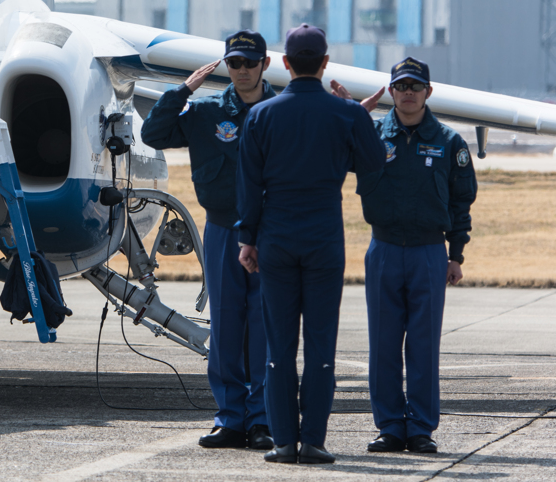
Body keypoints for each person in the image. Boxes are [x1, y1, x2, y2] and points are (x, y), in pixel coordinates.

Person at [236, 24, 385, 465]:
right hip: (323, 235)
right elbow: (374, 163)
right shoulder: (346, 114)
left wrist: (247, 238)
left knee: (279, 345)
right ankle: (314, 440)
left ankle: (283, 442)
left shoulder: (261, 115)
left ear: (284, 62)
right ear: (324, 63)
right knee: (321, 344)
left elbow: (248, 184)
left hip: (277, 236)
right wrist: (355, 116)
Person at [331, 57, 477, 455]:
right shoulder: (372, 135)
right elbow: (333, 159)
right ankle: (391, 426)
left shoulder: (450, 142)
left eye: (415, 86)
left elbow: (462, 201)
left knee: (424, 345)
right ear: (391, 92)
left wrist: (456, 254)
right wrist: (350, 118)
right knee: (383, 343)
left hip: (430, 251)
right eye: (401, 86)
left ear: (428, 92)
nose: (408, 93)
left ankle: (421, 428)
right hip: (384, 250)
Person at [140, 30, 276, 451]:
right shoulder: (206, 112)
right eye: (234, 63)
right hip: (222, 229)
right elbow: (154, 135)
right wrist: (180, 92)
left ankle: (262, 418)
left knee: (264, 325)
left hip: (271, 232)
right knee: (228, 325)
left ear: (264, 65)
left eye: (249, 63)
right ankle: (230, 418)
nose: (242, 71)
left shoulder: (281, 112)